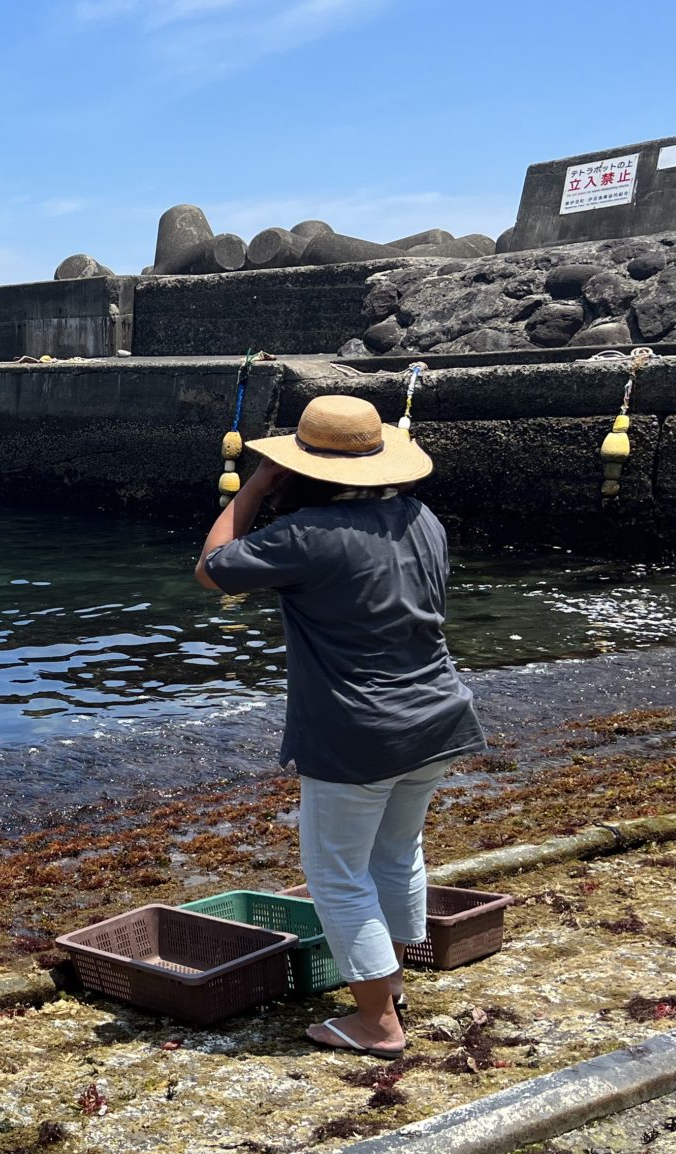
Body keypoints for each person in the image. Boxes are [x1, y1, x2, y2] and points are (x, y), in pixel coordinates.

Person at [195, 395, 484, 1059]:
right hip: (438, 716)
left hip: (358, 733)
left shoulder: (304, 537)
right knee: (396, 852)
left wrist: (256, 486)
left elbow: (212, 568)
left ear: (301, 470)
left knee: (337, 876)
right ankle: (393, 985)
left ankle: (377, 1024)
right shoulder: (421, 517)